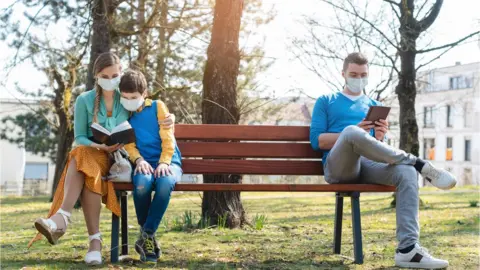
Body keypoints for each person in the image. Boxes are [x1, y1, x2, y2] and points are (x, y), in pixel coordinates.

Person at [309, 52, 456, 269]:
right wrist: (352, 133)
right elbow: (318, 141)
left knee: (406, 172)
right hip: (339, 167)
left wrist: (379, 137)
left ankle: (408, 250)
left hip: (368, 165)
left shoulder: (374, 105)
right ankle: (418, 162)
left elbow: (377, 148)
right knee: (350, 131)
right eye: (353, 74)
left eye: (363, 75)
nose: (359, 79)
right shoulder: (326, 101)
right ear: (343, 74)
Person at [29, 52, 175, 265]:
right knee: (84, 158)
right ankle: (87, 239)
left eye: (114, 75)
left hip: (120, 160)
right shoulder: (84, 100)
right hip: (95, 154)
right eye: (104, 76)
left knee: (83, 163)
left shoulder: (124, 96)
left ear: (121, 73)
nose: (110, 80)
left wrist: (171, 117)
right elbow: (79, 136)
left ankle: (64, 222)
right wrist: (98, 145)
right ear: (96, 75)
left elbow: (148, 106)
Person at [119, 70, 183, 263]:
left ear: (144, 94)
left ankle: (146, 233)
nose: (129, 101)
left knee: (164, 184)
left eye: (134, 97)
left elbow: (168, 138)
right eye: (125, 97)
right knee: (142, 184)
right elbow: (129, 145)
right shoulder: (123, 115)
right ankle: (149, 240)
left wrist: (164, 162)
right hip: (142, 163)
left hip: (168, 160)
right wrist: (139, 160)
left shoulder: (157, 107)